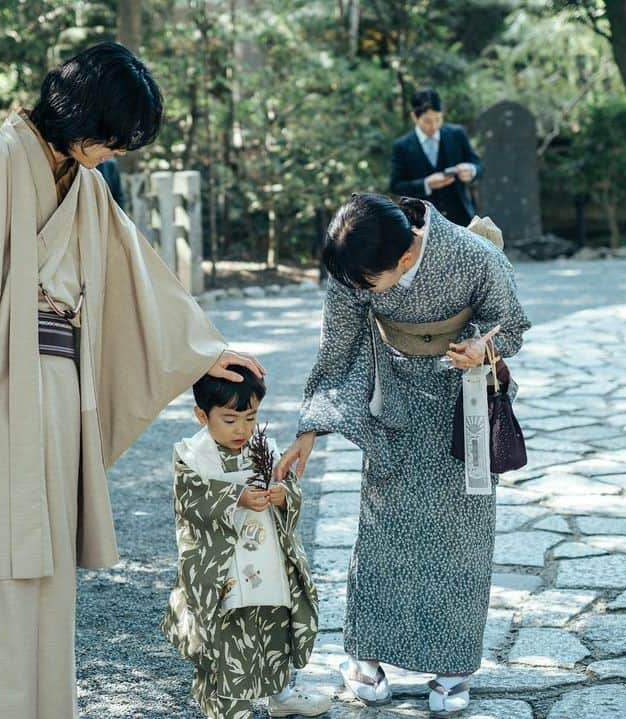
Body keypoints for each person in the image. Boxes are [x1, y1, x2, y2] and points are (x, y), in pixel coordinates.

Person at [0, 42, 263, 719]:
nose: (115, 152)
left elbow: (134, 278)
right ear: (81, 114)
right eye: (112, 136)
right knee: (0, 558)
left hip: (60, 385)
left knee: (51, 564)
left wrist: (203, 353)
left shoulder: (85, 185)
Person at [277, 194, 530, 715]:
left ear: (406, 257)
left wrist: (482, 348)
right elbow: (339, 347)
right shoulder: (358, 265)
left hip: (463, 401)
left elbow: (511, 324)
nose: (355, 290)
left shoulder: (474, 256)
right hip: (393, 398)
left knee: (461, 536)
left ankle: (453, 668)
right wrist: (310, 428)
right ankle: (367, 659)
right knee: (383, 531)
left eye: (367, 283)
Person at [162, 366, 331, 719]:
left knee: (272, 621)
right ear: (201, 415)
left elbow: (290, 489)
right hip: (223, 567)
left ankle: (281, 692)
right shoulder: (192, 455)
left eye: (250, 418)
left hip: (265, 558)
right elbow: (190, 502)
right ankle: (226, 707)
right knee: (226, 635)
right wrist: (237, 497)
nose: (242, 429)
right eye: (229, 419)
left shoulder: (262, 447)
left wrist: (281, 495)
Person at [390, 88, 482, 227]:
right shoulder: (402, 146)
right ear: (414, 117)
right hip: (422, 224)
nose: (434, 126)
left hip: (462, 220)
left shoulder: (457, 134)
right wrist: (427, 183)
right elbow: (396, 186)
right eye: (427, 121)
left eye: (438, 119)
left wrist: (471, 170)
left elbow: (477, 164)